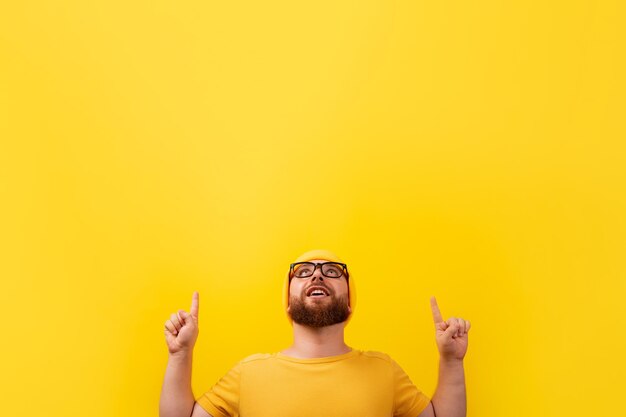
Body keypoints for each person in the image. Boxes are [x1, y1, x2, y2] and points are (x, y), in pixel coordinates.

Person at [160, 249, 471, 417]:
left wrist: (451, 361)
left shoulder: (383, 371)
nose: (318, 273)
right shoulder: (248, 374)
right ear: (288, 302)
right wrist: (180, 355)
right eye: (304, 272)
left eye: (332, 271)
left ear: (350, 302)